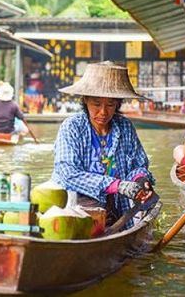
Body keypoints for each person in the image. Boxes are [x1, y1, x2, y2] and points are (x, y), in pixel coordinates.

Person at [52, 62, 155, 224]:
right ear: (85, 100)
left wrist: (140, 181)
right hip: (75, 211)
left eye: (110, 105)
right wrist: (116, 185)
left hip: (115, 209)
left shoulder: (125, 127)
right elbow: (68, 174)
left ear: (118, 104)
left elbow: (139, 165)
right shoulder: (72, 127)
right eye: (96, 104)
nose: (103, 112)